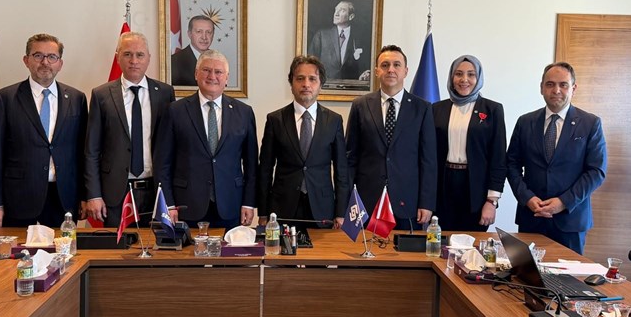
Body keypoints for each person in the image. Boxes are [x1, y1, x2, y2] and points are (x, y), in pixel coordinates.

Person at [0, 33, 88, 228]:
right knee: (17, 248)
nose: (45, 62)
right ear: (26, 60)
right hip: (18, 198)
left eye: (52, 57)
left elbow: (82, 152)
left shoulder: (77, 99)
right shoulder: (5, 98)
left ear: (60, 63)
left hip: (63, 198)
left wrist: (84, 196)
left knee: (63, 248)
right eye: (38, 56)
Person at [506, 61, 607, 254]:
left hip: (570, 220)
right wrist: (527, 198)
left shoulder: (590, 123)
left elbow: (596, 171)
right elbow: (511, 164)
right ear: (541, 88)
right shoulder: (525, 122)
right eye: (550, 84)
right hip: (532, 217)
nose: (556, 90)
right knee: (527, 272)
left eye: (563, 85)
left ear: (573, 88)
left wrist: (563, 202)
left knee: (568, 273)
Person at [155, 49, 257, 231]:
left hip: (230, 204)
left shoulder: (244, 112)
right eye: (206, 70)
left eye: (218, 72)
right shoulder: (175, 111)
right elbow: (162, 163)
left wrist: (249, 202)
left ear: (226, 78)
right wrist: (168, 204)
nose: (212, 76)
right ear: (196, 74)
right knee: (189, 251)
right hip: (186, 205)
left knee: (230, 250)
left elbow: (251, 164)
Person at [85, 32, 176, 227]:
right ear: (118, 57)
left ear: (148, 58)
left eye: (140, 55)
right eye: (127, 54)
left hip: (155, 190)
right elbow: (91, 150)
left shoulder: (165, 93)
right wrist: (94, 195)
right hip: (115, 193)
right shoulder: (101, 95)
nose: (134, 61)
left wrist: (171, 198)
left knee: (155, 244)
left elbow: (171, 146)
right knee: (117, 245)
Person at [345, 45, 437, 230]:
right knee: (365, 248)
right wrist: (347, 200)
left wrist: (426, 203)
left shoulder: (422, 108)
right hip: (366, 201)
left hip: (408, 202)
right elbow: (350, 158)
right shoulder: (360, 105)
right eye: (385, 65)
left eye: (397, 64)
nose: (391, 70)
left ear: (406, 71)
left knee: (405, 249)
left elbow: (428, 160)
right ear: (377, 71)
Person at [257, 55, 348, 231]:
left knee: (321, 250)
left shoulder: (334, 121)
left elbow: (341, 170)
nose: (306, 84)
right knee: (283, 249)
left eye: (312, 79)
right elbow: (265, 169)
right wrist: (263, 212)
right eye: (300, 78)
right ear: (291, 84)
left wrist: (340, 212)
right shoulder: (275, 120)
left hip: (322, 207)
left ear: (320, 85)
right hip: (283, 206)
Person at [432, 55, 507, 232]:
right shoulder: (436, 109)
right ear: (452, 77)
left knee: (472, 244)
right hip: (443, 187)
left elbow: (498, 159)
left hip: (476, 190)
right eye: (458, 74)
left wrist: (492, 201)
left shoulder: (492, 109)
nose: (464, 79)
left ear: (478, 78)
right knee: (442, 241)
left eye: (471, 74)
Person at [308, 1, 368, 83]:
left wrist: (364, 74)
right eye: (336, 10)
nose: (336, 14)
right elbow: (310, 63)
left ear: (351, 16)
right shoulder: (321, 36)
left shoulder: (361, 38)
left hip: (351, 86)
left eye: (342, 10)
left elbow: (365, 67)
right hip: (325, 86)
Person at [170, 15, 215, 86]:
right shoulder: (174, 62)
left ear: (213, 35)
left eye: (208, 32)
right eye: (199, 32)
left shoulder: (218, 60)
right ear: (189, 34)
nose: (204, 37)